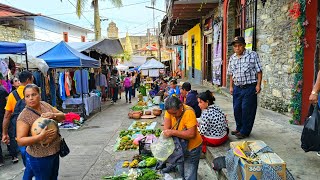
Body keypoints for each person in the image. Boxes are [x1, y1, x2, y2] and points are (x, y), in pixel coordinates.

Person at [16, 84, 65, 179]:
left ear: (39, 95)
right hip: (40, 157)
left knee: (54, 177)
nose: (31, 98)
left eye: (34, 94)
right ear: (24, 99)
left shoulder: (44, 105)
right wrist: (40, 137)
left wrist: (53, 115)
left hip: (55, 151)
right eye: (27, 96)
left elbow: (63, 116)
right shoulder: (24, 116)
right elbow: (20, 140)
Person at [227, 36, 262, 139]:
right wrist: (231, 86)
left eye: (239, 45)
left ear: (244, 45)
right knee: (237, 109)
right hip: (237, 87)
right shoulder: (232, 57)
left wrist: (258, 85)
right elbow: (231, 73)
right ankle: (239, 128)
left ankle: (245, 131)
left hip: (249, 87)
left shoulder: (252, 55)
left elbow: (259, 71)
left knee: (247, 110)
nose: (237, 48)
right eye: (235, 46)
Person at [163, 96, 202, 180]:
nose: (173, 116)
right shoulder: (169, 110)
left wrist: (172, 132)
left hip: (192, 148)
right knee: (181, 172)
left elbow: (191, 134)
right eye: (171, 114)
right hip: (179, 147)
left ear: (181, 107)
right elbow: (166, 128)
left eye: (175, 113)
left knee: (189, 174)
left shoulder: (189, 112)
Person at [2, 71, 34, 164]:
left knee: (24, 150)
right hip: (34, 127)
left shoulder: (12, 95)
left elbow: (7, 116)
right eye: (32, 79)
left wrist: (4, 133)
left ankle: (28, 166)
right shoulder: (34, 92)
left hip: (19, 128)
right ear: (29, 80)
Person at [0, 75, 9, 166]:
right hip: (3, 115)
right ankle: (13, 155)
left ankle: (0, 160)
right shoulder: (3, 90)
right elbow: (8, 101)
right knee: (6, 134)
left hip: (3, 115)